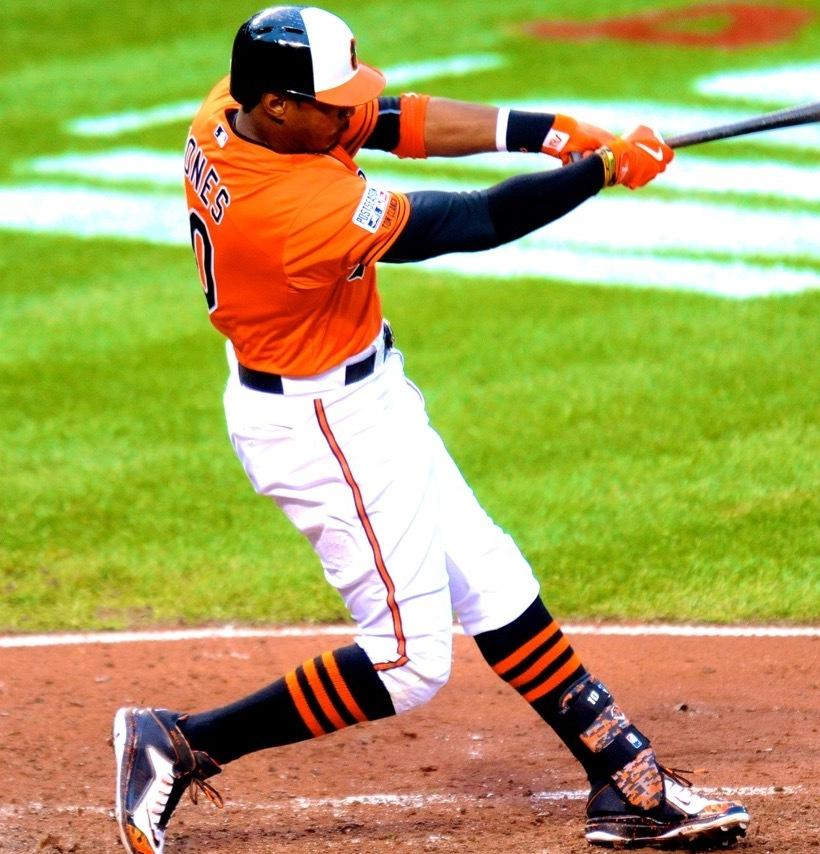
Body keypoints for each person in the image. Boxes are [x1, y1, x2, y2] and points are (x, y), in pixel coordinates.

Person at [112, 6, 750, 853]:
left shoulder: (235, 108)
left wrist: (556, 132)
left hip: (364, 390)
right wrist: (600, 172)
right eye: (329, 106)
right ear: (276, 106)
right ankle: (183, 742)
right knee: (408, 662)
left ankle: (624, 780)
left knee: (491, 576)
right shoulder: (294, 210)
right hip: (319, 427)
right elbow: (474, 222)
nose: (350, 116)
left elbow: (399, 118)